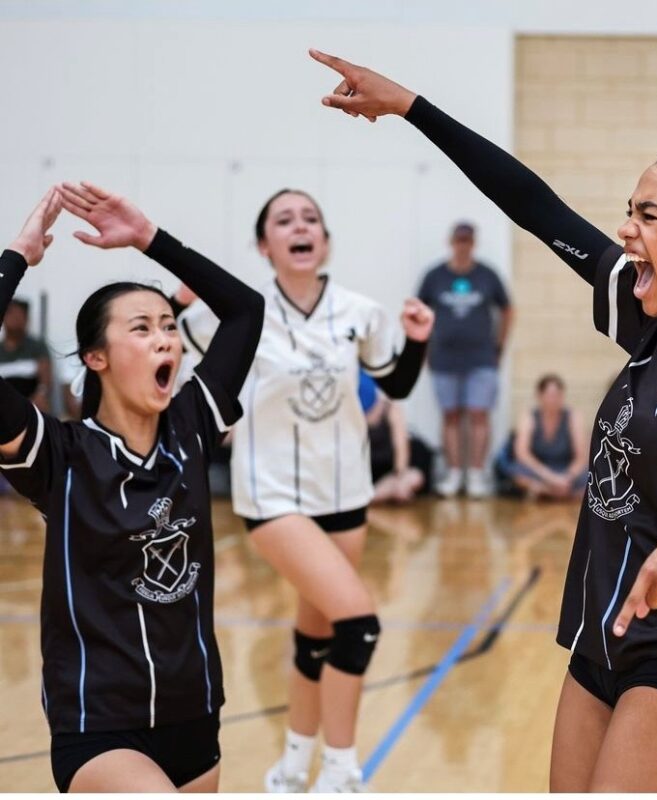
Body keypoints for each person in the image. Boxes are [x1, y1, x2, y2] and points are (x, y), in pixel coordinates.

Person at [310, 50, 657, 792]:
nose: (626, 230)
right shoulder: (647, 324)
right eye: (628, 213)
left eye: (647, 215)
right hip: (597, 651)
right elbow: (535, 207)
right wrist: (412, 107)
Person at [0, 183, 264, 792]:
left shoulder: (193, 426)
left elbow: (245, 309)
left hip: (195, 712)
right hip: (99, 724)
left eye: (169, 326)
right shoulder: (60, 455)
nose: (165, 338)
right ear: (96, 357)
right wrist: (17, 255)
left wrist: (150, 238)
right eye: (142, 328)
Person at [177, 188, 433, 792]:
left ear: (326, 240)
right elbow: (172, 344)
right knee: (358, 625)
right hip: (271, 496)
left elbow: (393, 382)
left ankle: (293, 764)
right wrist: (171, 299)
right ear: (264, 245)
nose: (301, 226)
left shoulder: (359, 311)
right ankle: (340, 769)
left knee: (316, 635)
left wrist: (417, 339)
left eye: (311, 218)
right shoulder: (235, 312)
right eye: (284, 220)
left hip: (345, 495)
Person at [417, 221, 513, 498]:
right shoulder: (434, 276)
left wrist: (499, 345)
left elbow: (507, 309)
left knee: (478, 414)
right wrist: (421, 351)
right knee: (451, 415)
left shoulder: (487, 276)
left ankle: (477, 473)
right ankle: (455, 472)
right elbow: (420, 311)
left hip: (481, 358)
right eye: (459, 240)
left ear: (473, 243)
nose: (463, 245)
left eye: (467, 241)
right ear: (451, 242)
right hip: (444, 358)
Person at [494, 373, 588, 500]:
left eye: (557, 395)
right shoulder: (529, 416)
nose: (554, 399)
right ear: (539, 396)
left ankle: (550, 492)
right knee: (516, 470)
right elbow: (522, 454)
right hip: (539, 469)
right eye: (550, 395)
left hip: (566, 469)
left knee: (591, 474)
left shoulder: (573, 417)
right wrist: (551, 478)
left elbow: (581, 456)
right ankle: (558, 493)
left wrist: (567, 477)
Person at [360, 371, 433, 503]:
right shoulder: (349, 415)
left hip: (391, 470)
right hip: (366, 473)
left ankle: (371, 496)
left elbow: (401, 445)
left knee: (413, 478)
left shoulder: (389, 406)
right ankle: (373, 496)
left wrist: (399, 476)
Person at [0, 297, 52, 411]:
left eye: (20, 315)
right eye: (11, 314)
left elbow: (45, 380)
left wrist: (41, 394)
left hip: (31, 405)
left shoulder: (37, 346)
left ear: (27, 319)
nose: (15, 319)